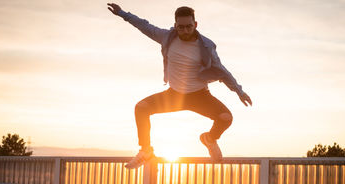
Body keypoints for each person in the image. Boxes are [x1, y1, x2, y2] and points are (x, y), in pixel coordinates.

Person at [107, 3, 252, 169]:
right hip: (174, 96)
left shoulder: (206, 46)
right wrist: (122, 13)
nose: (185, 31)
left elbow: (222, 71)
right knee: (141, 107)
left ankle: (209, 138)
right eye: (181, 27)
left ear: (195, 25)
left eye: (189, 27)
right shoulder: (166, 37)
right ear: (175, 26)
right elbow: (144, 26)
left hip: (200, 96)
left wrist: (239, 92)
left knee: (226, 118)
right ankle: (145, 150)